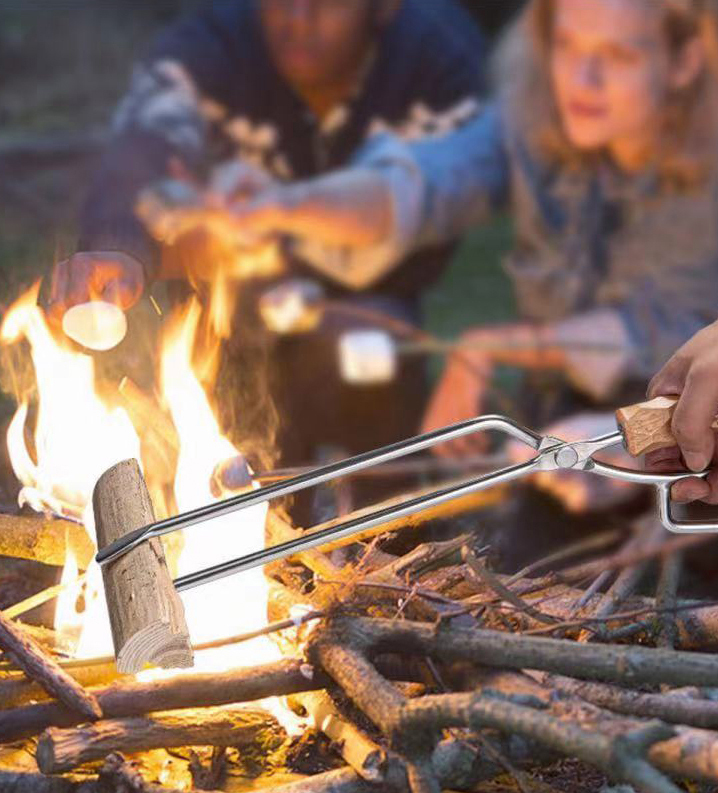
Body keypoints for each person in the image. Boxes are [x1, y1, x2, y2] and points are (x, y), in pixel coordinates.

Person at [203, 0, 718, 596]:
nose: (582, 78)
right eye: (568, 46)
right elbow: (427, 184)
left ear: (684, 60)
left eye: (618, 55)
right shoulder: (537, 110)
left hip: (717, 404)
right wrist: (293, 204)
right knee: (531, 601)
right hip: (565, 411)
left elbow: (694, 322)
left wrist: (499, 347)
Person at [46, 0, 486, 520]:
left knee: (375, 371)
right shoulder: (214, 45)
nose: (298, 19)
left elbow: (435, 208)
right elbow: (144, 144)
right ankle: (256, 552)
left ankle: (393, 553)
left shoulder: (434, 56)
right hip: (228, 305)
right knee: (237, 447)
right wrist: (117, 243)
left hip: (364, 303)